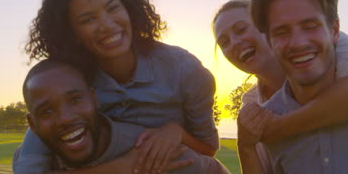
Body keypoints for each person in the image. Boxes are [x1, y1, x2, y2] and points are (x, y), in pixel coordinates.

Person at [15, 0, 220, 174]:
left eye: (113, 8)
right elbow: (28, 166)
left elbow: (208, 149)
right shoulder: (69, 84)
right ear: (72, 34)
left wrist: (176, 132)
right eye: (87, 20)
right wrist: (119, 168)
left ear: (129, 9)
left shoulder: (184, 70)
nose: (107, 24)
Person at [213, 0, 348, 173]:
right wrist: (246, 146)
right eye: (224, 42)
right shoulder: (253, 107)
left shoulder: (326, 43)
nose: (235, 43)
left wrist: (277, 129)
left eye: (241, 29)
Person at [14, 59, 229, 173]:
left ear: (95, 99)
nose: (65, 118)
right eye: (47, 111)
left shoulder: (152, 155)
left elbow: (209, 163)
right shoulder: (31, 161)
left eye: (75, 100)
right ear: (32, 124)